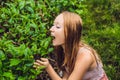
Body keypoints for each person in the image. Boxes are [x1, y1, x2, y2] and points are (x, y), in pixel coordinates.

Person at [33, 11, 108, 80]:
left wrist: (49, 68)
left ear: (70, 33)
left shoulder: (85, 56)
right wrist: (47, 66)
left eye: (58, 27)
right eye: (53, 25)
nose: (51, 29)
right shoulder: (64, 49)